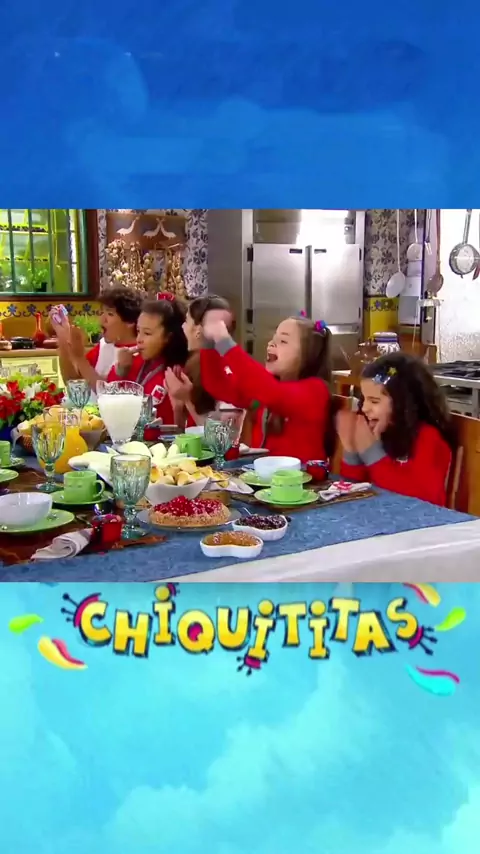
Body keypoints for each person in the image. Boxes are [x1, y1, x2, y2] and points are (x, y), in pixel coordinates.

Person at [197, 311, 332, 463]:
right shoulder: (265, 387)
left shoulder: (316, 390)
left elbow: (272, 393)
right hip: (261, 473)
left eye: (283, 341)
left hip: (302, 477)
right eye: (273, 338)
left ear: (308, 355)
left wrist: (225, 343)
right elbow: (218, 386)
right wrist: (209, 344)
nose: (271, 343)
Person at [336, 351, 455, 506]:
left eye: (374, 401)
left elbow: (422, 501)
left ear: (403, 403)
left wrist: (372, 453)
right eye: (364, 399)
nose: (364, 408)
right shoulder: (380, 433)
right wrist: (352, 452)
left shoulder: (428, 438)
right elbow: (353, 494)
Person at [110, 293, 189, 425]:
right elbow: (109, 404)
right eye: (138, 331)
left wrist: (179, 408)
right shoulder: (132, 362)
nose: (139, 339)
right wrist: (120, 372)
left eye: (147, 333)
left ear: (168, 337)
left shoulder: (178, 374)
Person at [163, 294, 238, 427]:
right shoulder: (194, 364)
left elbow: (220, 434)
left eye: (187, 321)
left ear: (198, 330)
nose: (183, 327)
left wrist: (187, 400)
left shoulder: (226, 370)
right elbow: (185, 433)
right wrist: (178, 406)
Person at [50, 287, 141, 395]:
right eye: (102, 312)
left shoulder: (139, 353)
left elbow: (108, 395)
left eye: (110, 314)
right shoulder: (103, 346)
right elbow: (74, 385)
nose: (102, 319)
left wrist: (80, 359)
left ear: (130, 322)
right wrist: (63, 338)